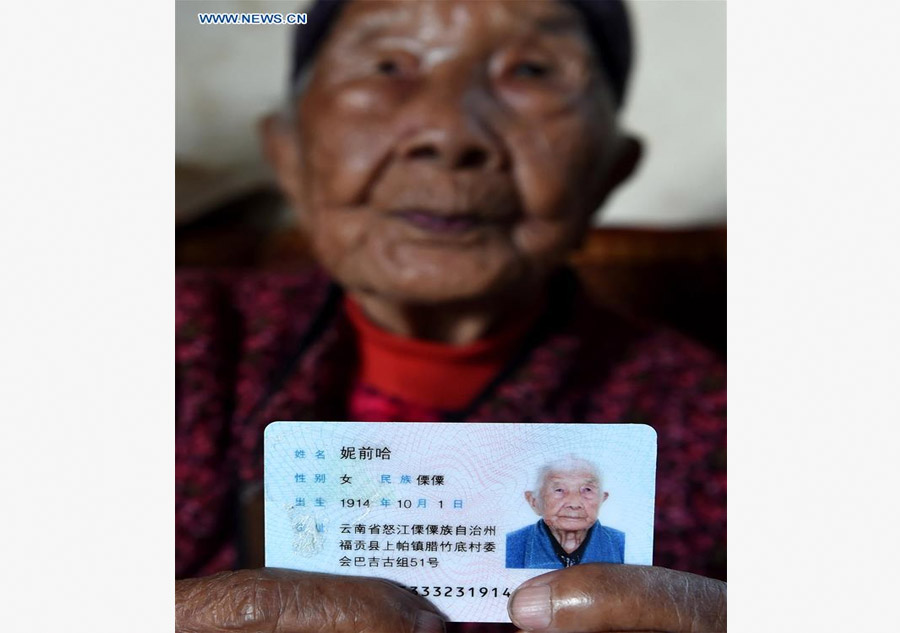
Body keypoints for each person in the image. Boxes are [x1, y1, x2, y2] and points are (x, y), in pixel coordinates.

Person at [175, 1, 727, 631]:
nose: (449, 133)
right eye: (387, 65)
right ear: (287, 152)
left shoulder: (715, 425)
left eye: (533, 71)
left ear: (609, 172)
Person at [506, 456, 624, 569]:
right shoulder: (509, 546)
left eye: (587, 490)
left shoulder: (622, 544)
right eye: (559, 490)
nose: (574, 504)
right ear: (534, 501)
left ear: (602, 499)